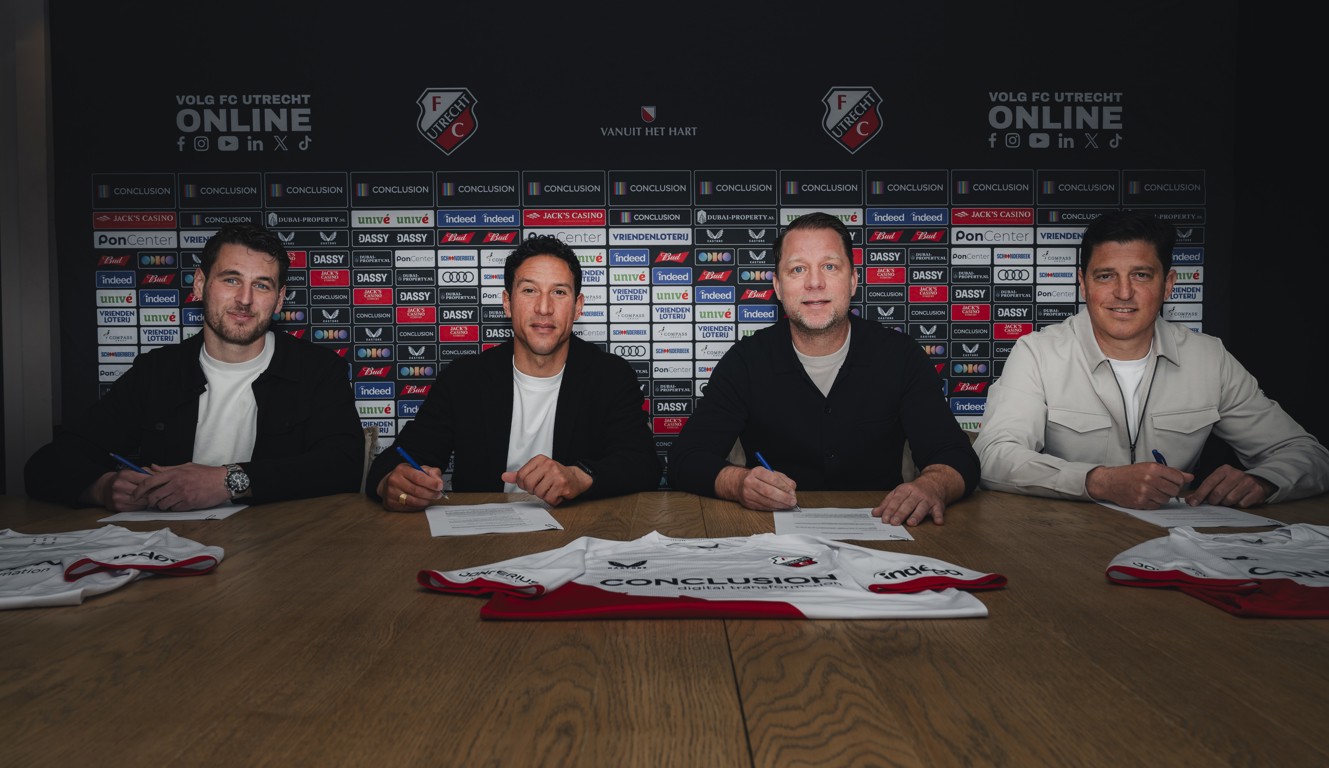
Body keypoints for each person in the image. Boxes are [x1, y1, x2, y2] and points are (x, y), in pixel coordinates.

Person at [974, 209, 1329, 509]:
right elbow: (993, 457)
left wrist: (1264, 482)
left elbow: (1308, 456)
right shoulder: (1037, 353)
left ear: (1168, 284)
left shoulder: (1209, 358)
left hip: (1178, 545)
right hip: (1067, 539)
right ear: (1083, 283)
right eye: (1106, 276)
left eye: (1141, 275)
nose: (1123, 293)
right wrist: (1098, 481)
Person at [667, 212, 980, 526]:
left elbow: (956, 455)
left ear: (853, 281)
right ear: (778, 287)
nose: (814, 282)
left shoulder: (900, 355)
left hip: (887, 528)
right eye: (798, 269)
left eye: (829, 266)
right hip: (773, 536)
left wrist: (932, 485)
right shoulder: (746, 360)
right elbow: (685, 459)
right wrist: (738, 483)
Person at [26, 223, 364, 511]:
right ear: (200, 284)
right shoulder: (156, 372)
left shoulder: (318, 370)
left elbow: (344, 466)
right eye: (231, 280)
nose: (245, 299)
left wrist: (228, 481)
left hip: (281, 548)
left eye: (261, 285)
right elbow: (49, 463)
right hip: (169, 548)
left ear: (279, 300)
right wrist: (101, 487)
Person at [366, 235, 660, 510]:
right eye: (529, 290)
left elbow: (644, 464)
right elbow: (396, 461)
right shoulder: (464, 379)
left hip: (578, 531)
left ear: (577, 307)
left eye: (559, 292)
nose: (544, 308)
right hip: (483, 537)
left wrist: (579, 477)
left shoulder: (610, 376)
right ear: (507, 303)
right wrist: (392, 483)